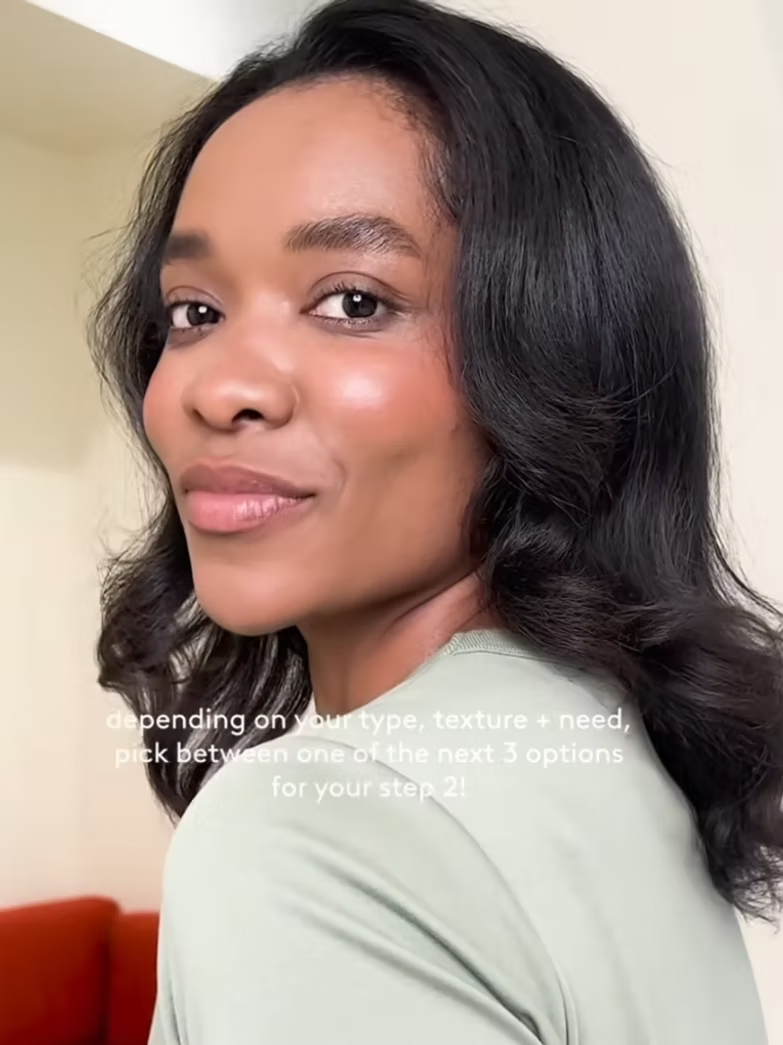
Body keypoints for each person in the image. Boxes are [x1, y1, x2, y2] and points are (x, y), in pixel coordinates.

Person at [88, 0, 783, 1041]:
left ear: (553, 358)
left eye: (354, 300)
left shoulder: (321, 829)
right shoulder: (613, 748)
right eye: (194, 311)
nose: (218, 385)